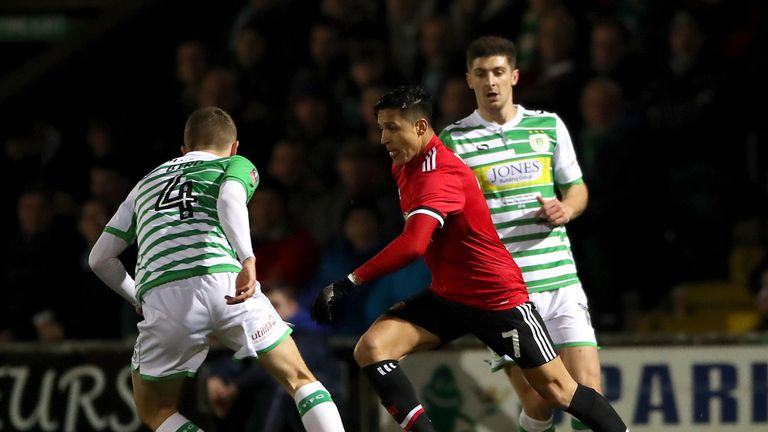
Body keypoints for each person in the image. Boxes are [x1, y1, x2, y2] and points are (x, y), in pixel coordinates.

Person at [311, 85, 628, 432]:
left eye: (392, 128)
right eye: (381, 128)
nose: (384, 138)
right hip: (450, 296)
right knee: (372, 348)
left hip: (496, 298)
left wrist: (349, 282)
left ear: (419, 127)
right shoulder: (403, 163)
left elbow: (414, 245)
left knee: (556, 391)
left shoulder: (438, 174)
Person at [88, 106, 345, 432]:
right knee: (299, 378)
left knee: (156, 410)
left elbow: (99, 259)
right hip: (226, 283)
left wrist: (137, 297)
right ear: (234, 146)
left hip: (164, 299)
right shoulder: (234, 163)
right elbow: (229, 198)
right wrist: (248, 259)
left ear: (184, 150)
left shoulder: (144, 185)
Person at [438, 35, 601, 432]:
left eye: (497, 72)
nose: (490, 82)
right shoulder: (453, 142)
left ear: (514, 75)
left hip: (559, 279)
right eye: (481, 74)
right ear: (469, 80)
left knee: (588, 392)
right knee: (540, 400)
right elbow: (442, 213)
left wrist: (567, 208)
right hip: (503, 291)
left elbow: (576, 188)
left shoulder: (548, 126)